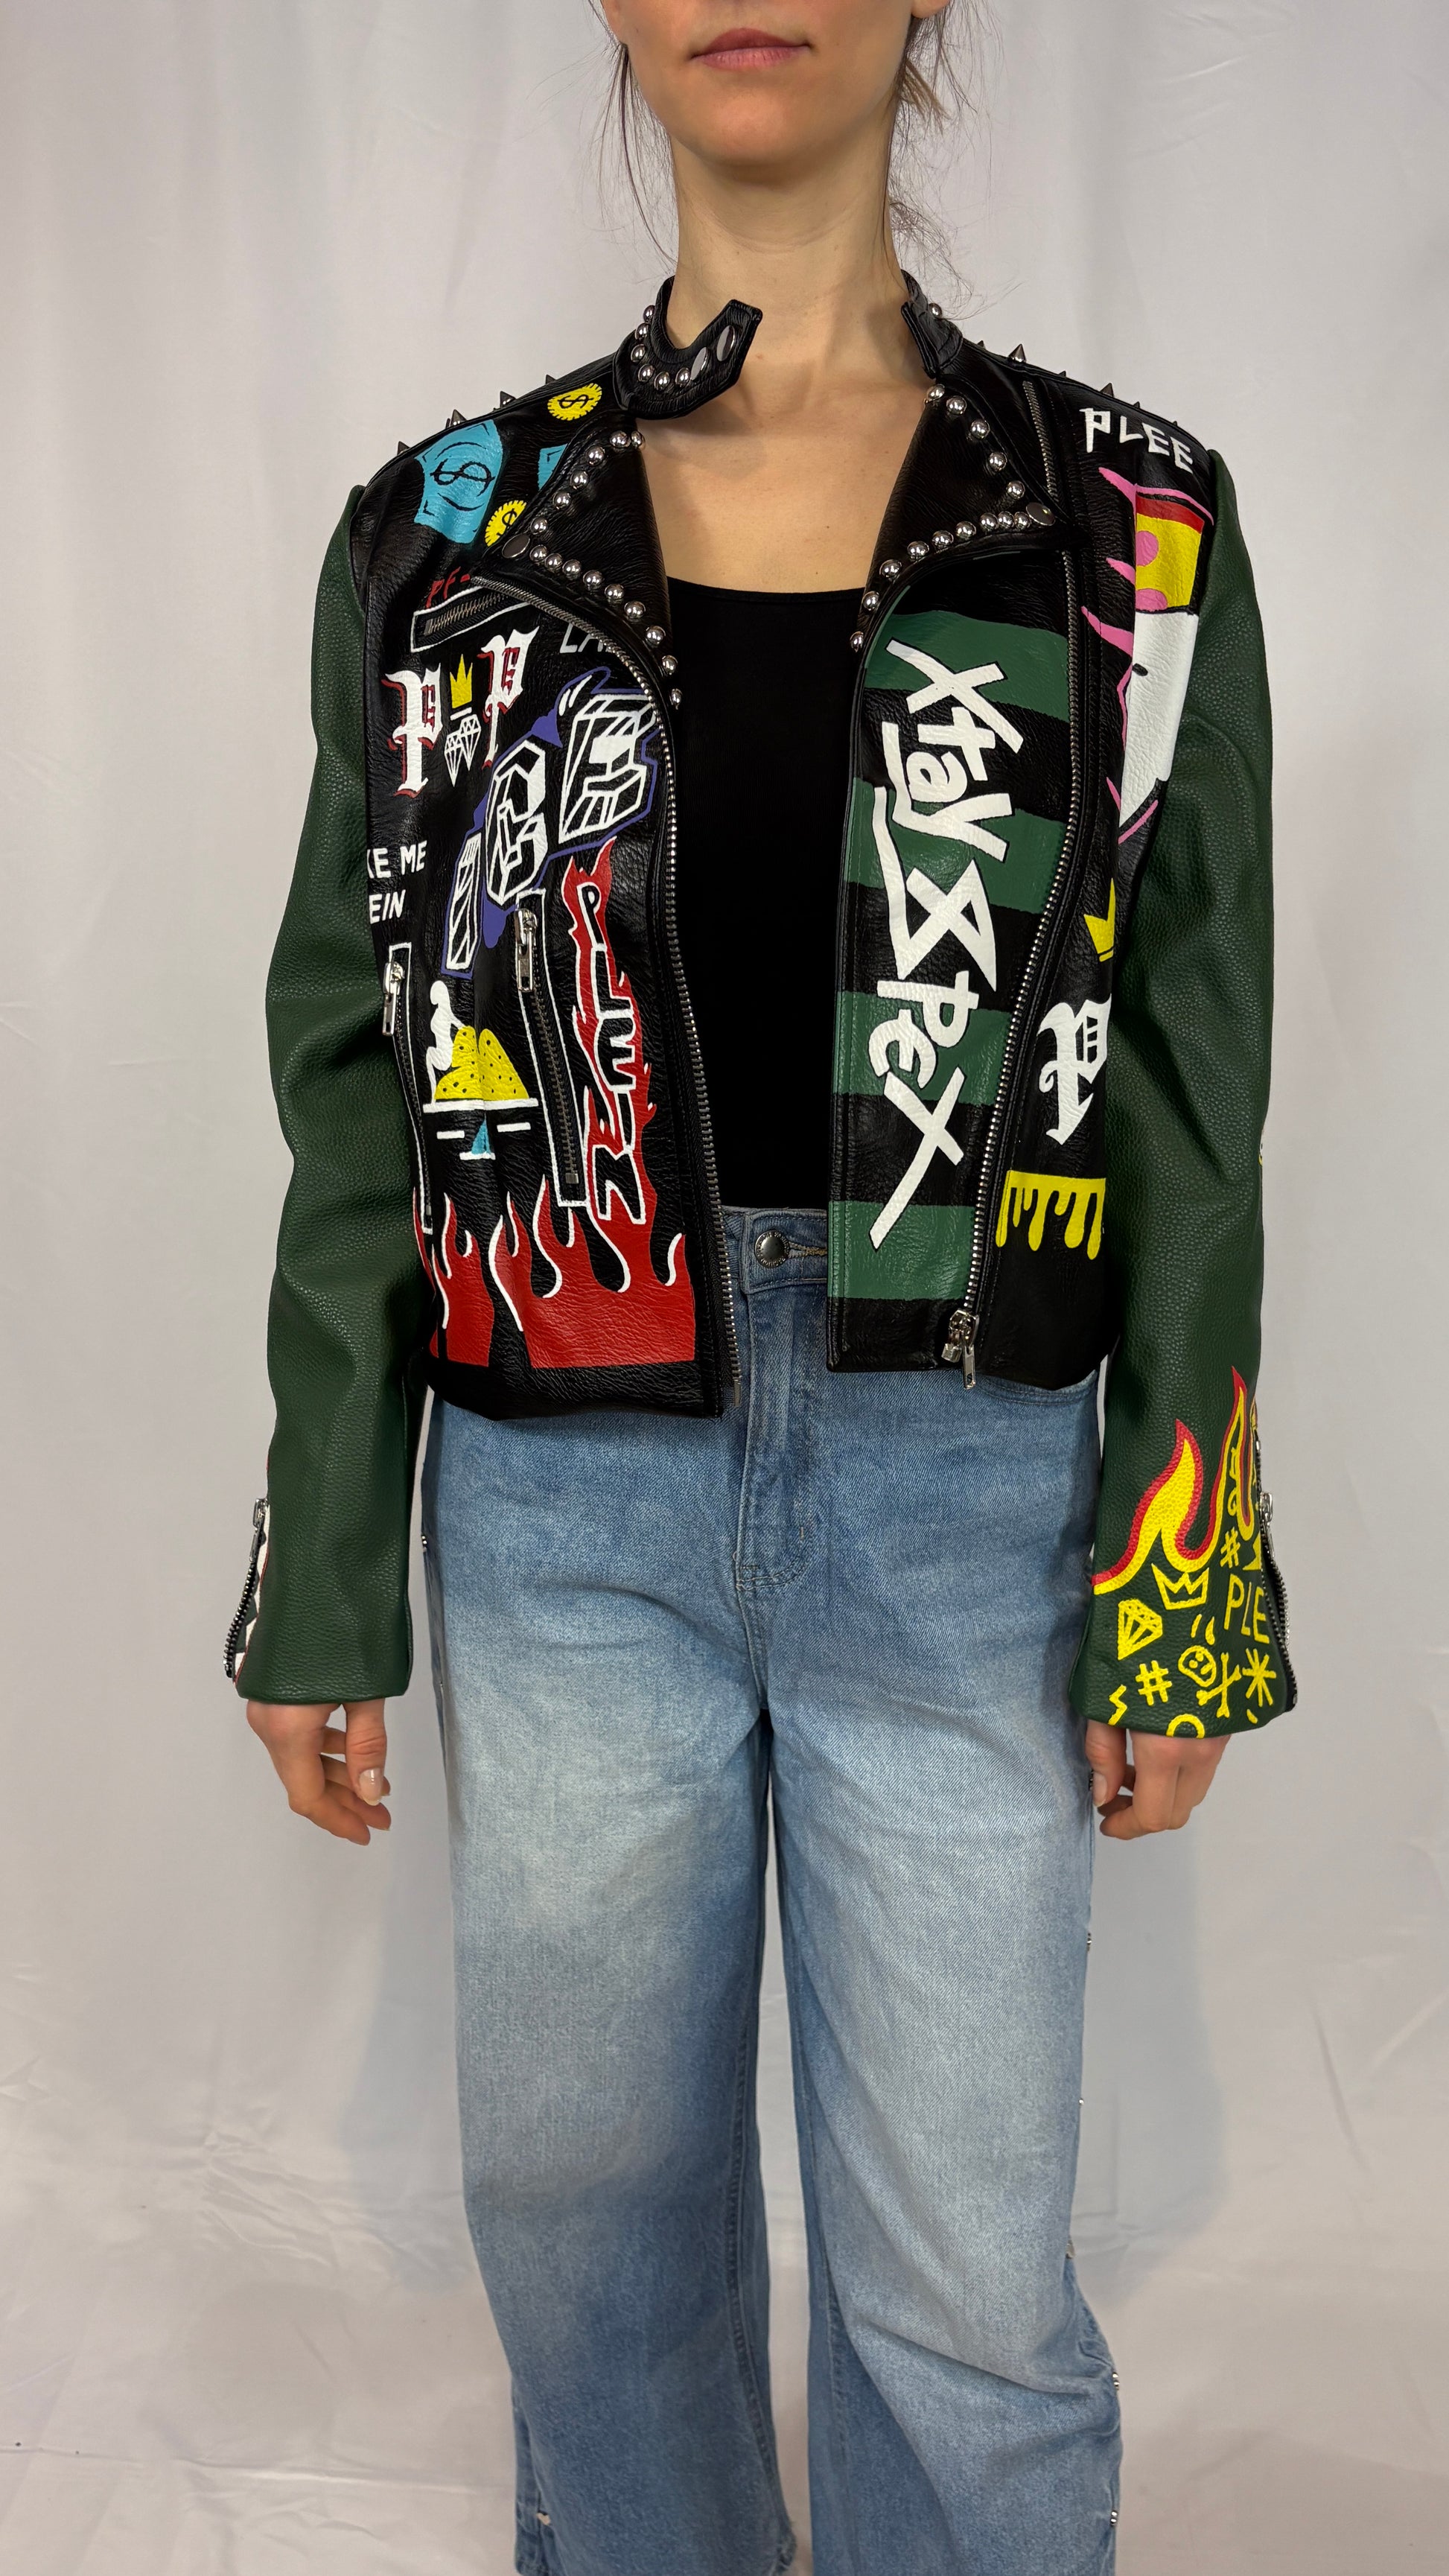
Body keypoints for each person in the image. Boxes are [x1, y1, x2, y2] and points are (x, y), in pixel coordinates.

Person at [230, 5, 1294, 2569]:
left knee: (965, 2286)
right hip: (557, 1491)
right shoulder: (451, 535)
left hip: (967, 1480)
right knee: (584, 2226)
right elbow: (365, 1085)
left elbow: (1187, 1082)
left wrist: (1182, 1584)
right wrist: (325, 1563)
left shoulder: (1123, 524)